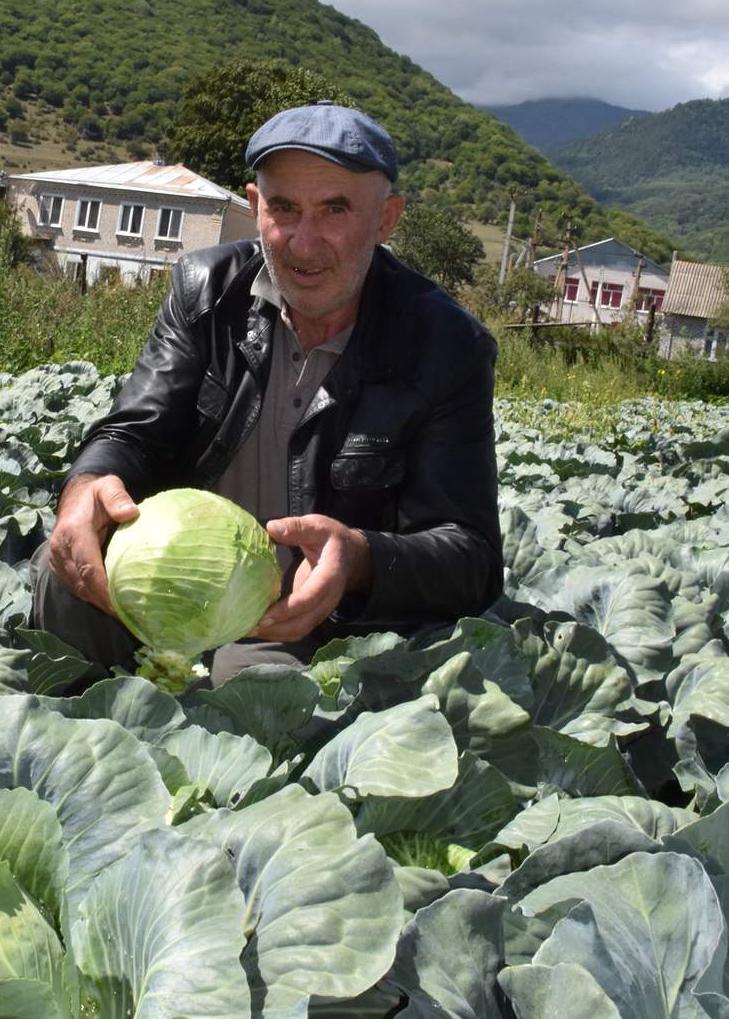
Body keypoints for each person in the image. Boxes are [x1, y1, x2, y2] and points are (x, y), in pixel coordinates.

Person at [30, 102, 502, 683]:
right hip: (172, 587)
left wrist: (359, 561)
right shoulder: (205, 291)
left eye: (335, 210)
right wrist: (83, 487)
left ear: (385, 220)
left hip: (310, 628)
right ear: (255, 208)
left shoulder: (445, 346)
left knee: (248, 685)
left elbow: (470, 557)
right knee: (61, 578)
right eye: (283, 208)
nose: (303, 244)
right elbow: (134, 431)